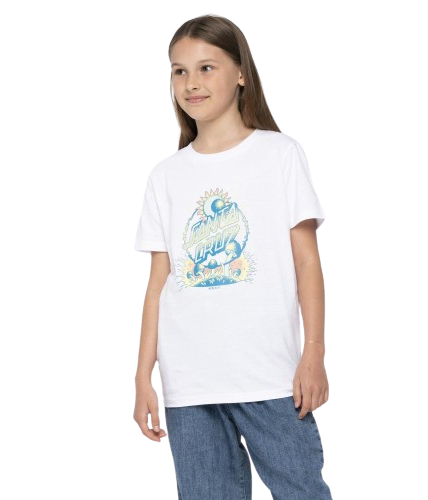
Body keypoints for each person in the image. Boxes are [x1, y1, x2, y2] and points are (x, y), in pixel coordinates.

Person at [133, 14, 333, 500]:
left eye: (206, 68)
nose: (191, 83)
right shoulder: (166, 176)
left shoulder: (280, 154)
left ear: (241, 73)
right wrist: (143, 376)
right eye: (179, 71)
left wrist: (314, 351)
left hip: (269, 376)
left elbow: (307, 262)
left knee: (302, 490)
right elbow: (159, 285)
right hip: (189, 385)